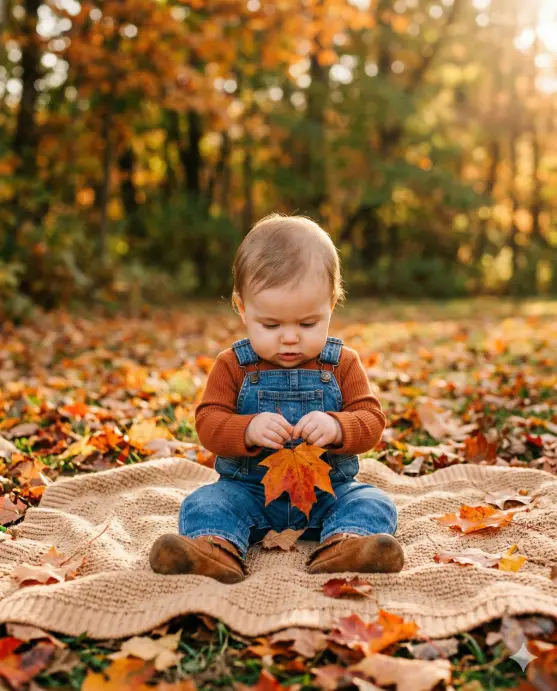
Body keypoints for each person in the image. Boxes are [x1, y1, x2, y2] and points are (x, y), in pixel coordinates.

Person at [150, 214, 404, 583]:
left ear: (332, 305)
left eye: (307, 324)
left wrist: (338, 426)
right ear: (242, 308)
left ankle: (346, 544)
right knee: (203, 503)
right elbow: (207, 423)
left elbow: (371, 420)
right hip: (248, 493)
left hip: (328, 493)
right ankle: (213, 548)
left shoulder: (341, 364)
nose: (289, 338)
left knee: (374, 502)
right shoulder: (233, 365)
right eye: (271, 325)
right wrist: (247, 429)